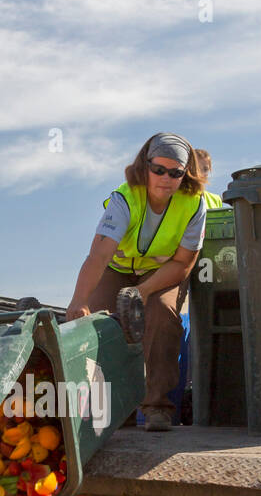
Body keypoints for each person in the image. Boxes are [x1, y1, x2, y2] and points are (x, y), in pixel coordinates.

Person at [67, 133, 224, 431]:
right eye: (159, 170)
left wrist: (142, 292)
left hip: (163, 271)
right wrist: (79, 301)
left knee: (162, 314)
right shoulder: (124, 198)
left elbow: (184, 263)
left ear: (185, 174)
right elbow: (98, 257)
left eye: (175, 173)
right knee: (99, 319)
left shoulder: (195, 204)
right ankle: (113, 412)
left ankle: (157, 408)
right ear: (145, 167)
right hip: (117, 267)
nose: (166, 178)